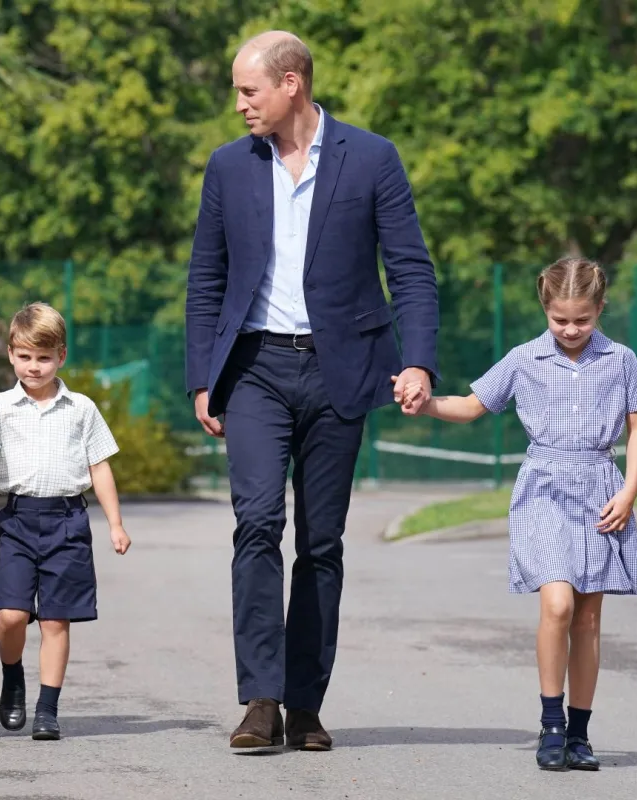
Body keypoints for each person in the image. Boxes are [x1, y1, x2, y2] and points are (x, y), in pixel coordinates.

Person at [184, 30, 440, 750]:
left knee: (320, 542)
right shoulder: (228, 168)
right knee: (257, 523)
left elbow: (411, 270)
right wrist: (204, 376)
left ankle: (306, 704)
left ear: (291, 84)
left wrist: (417, 361)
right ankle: (261, 700)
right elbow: (205, 280)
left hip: (341, 370)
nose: (239, 104)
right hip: (256, 369)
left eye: (248, 89)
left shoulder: (373, 158)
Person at [403, 257, 637, 772]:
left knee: (587, 616)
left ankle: (580, 735)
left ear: (600, 309)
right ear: (546, 309)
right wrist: (426, 403)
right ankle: (552, 725)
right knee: (557, 604)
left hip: (601, 490)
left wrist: (629, 492)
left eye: (582, 320)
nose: (570, 330)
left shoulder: (621, 359)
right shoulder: (525, 358)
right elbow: (473, 405)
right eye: (560, 319)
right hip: (543, 487)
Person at [0, 302, 131, 740]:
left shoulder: (81, 408)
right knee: (11, 616)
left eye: (43, 357)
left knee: (57, 619)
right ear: (10, 354)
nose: (33, 367)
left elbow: (100, 467)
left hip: (68, 521)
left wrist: (114, 523)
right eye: (24, 357)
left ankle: (48, 709)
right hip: (19, 521)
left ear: (61, 356)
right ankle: (13, 675)